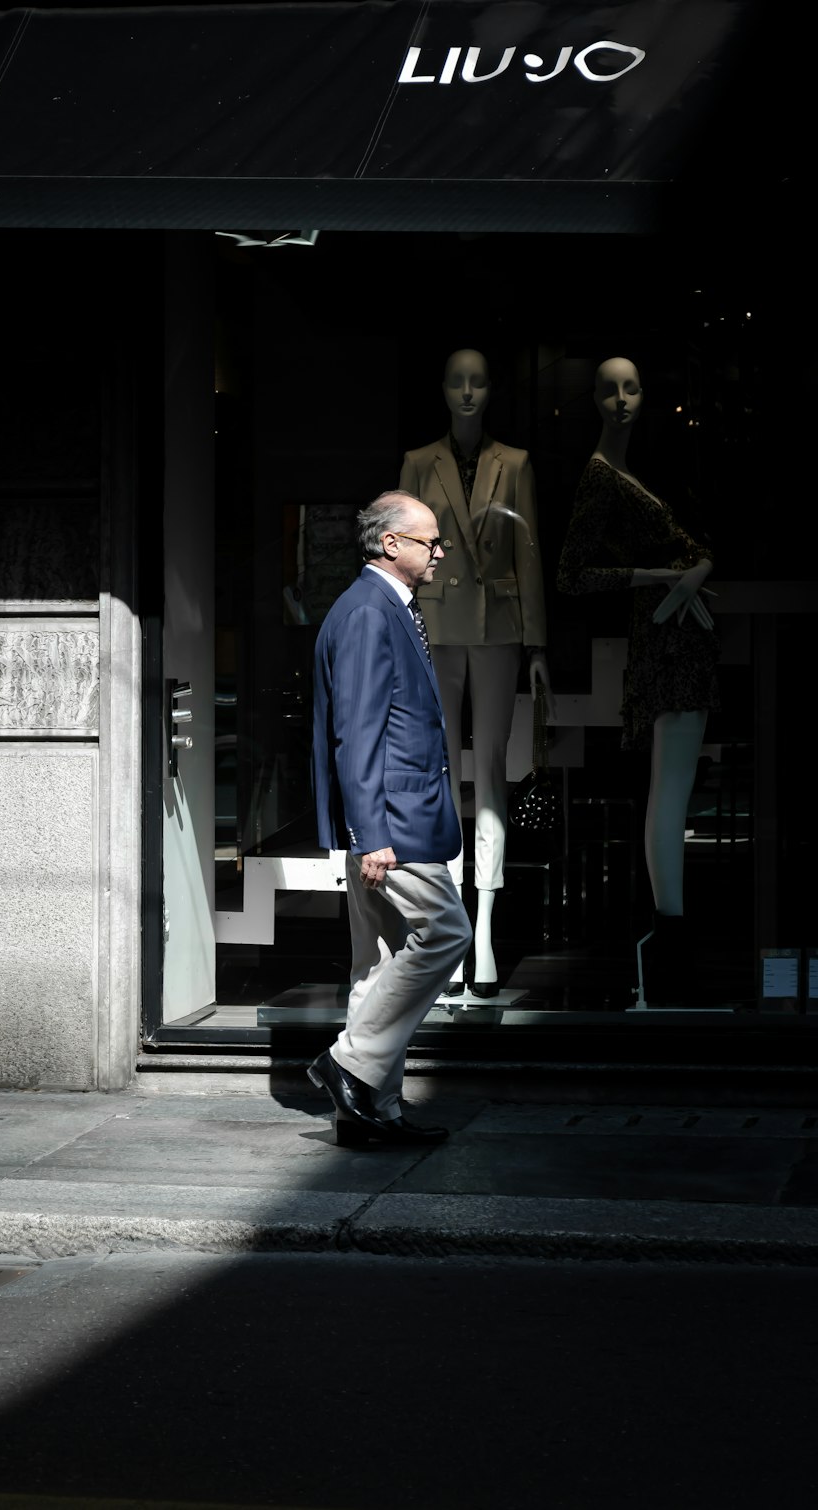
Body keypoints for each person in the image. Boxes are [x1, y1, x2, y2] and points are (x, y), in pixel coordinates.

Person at [308, 490, 472, 1145]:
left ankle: (370, 1115)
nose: (440, 550)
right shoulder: (367, 614)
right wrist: (371, 835)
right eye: (430, 540)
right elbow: (357, 731)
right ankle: (348, 1063)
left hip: (392, 818)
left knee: (375, 966)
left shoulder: (383, 607)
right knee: (447, 932)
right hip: (392, 825)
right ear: (390, 545)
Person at [556, 356, 720, 1004]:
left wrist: (696, 570)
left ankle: (671, 940)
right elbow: (574, 574)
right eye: (609, 390)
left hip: (685, 631)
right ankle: (669, 938)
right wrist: (655, 579)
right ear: (594, 400)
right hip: (663, 636)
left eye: (630, 388)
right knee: (670, 787)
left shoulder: (640, 469)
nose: (621, 400)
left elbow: (698, 544)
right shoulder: (600, 478)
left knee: (674, 784)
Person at [399, 348, 550, 998]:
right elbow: (402, 551)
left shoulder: (514, 463)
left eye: (478, 381)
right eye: (457, 380)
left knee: (488, 772)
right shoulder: (418, 461)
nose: (467, 392)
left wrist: (538, 643)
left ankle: (483, 926)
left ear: (491, 389)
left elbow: (530, 550)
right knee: (439, 772)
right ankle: (450, 926)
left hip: (497, 629)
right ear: (442, 388)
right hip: (434, 628)